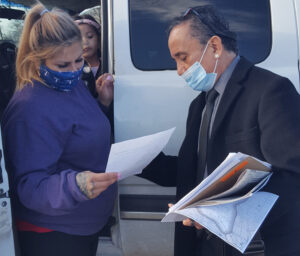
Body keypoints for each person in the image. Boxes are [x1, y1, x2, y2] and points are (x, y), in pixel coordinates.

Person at [140, 5, 300, 256]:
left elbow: (290, 177)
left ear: (214, 46)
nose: (180, 70)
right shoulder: (200, 104)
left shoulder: (270, 91)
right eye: (176, 61)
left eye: (183, 57)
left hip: (252, 246)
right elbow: (194, 171)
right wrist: (140, 162)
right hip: (203, 243)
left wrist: (224, 215)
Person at [1, 4, 118, 256]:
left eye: (79, 60)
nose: (74, 70)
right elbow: (29, 185)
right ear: (36, 59)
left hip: (82, 224)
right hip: (53, 235)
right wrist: (75, 186)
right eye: (63, 64)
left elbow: (73, 128)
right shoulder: (29, 107)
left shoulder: (70, 85)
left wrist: (102, 104)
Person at [74, 14, 114, 138]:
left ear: (100, 38)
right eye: (78, 39)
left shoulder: (110, 65)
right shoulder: (71, 72)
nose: (85, 42)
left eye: (90, 36)